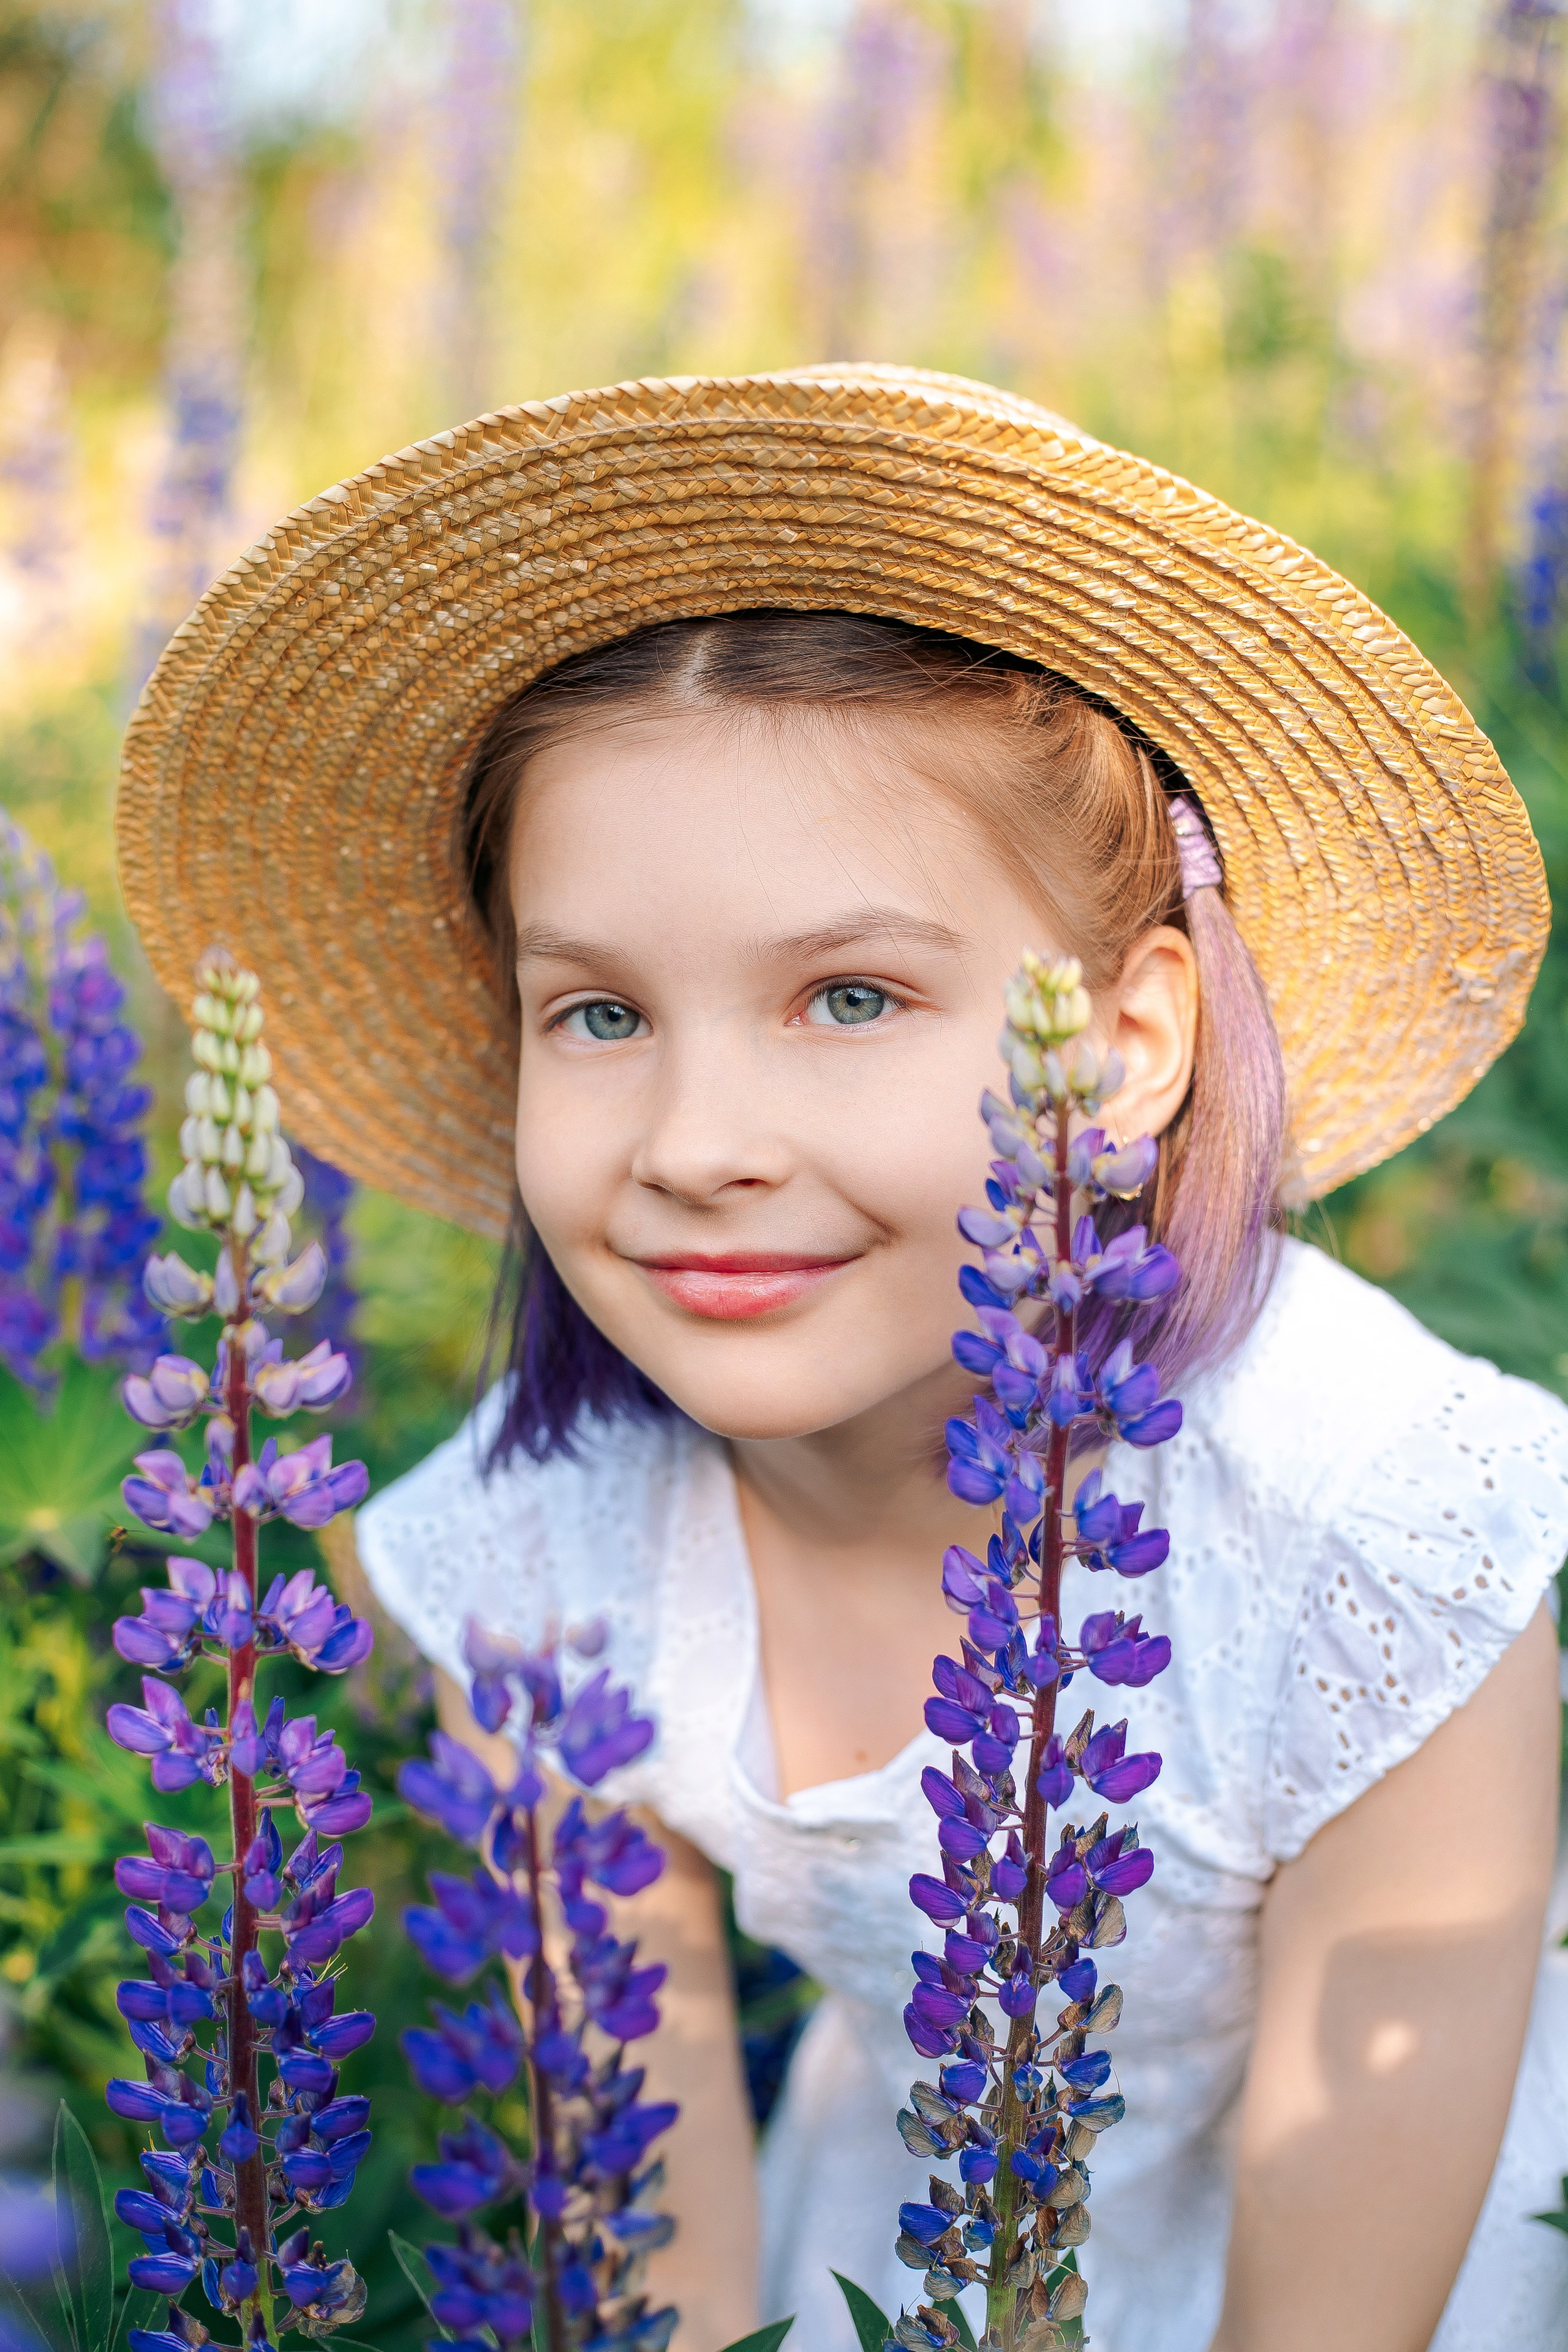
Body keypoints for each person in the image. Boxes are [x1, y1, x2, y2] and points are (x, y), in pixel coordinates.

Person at [117, 367, 1568, 2352]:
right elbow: (652, 2258)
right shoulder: (553, 1561)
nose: (701, 1138)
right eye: (601, 1014)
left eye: (852, 993)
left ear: (1133, 1044)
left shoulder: (1366, 1532)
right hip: (917, 2241)